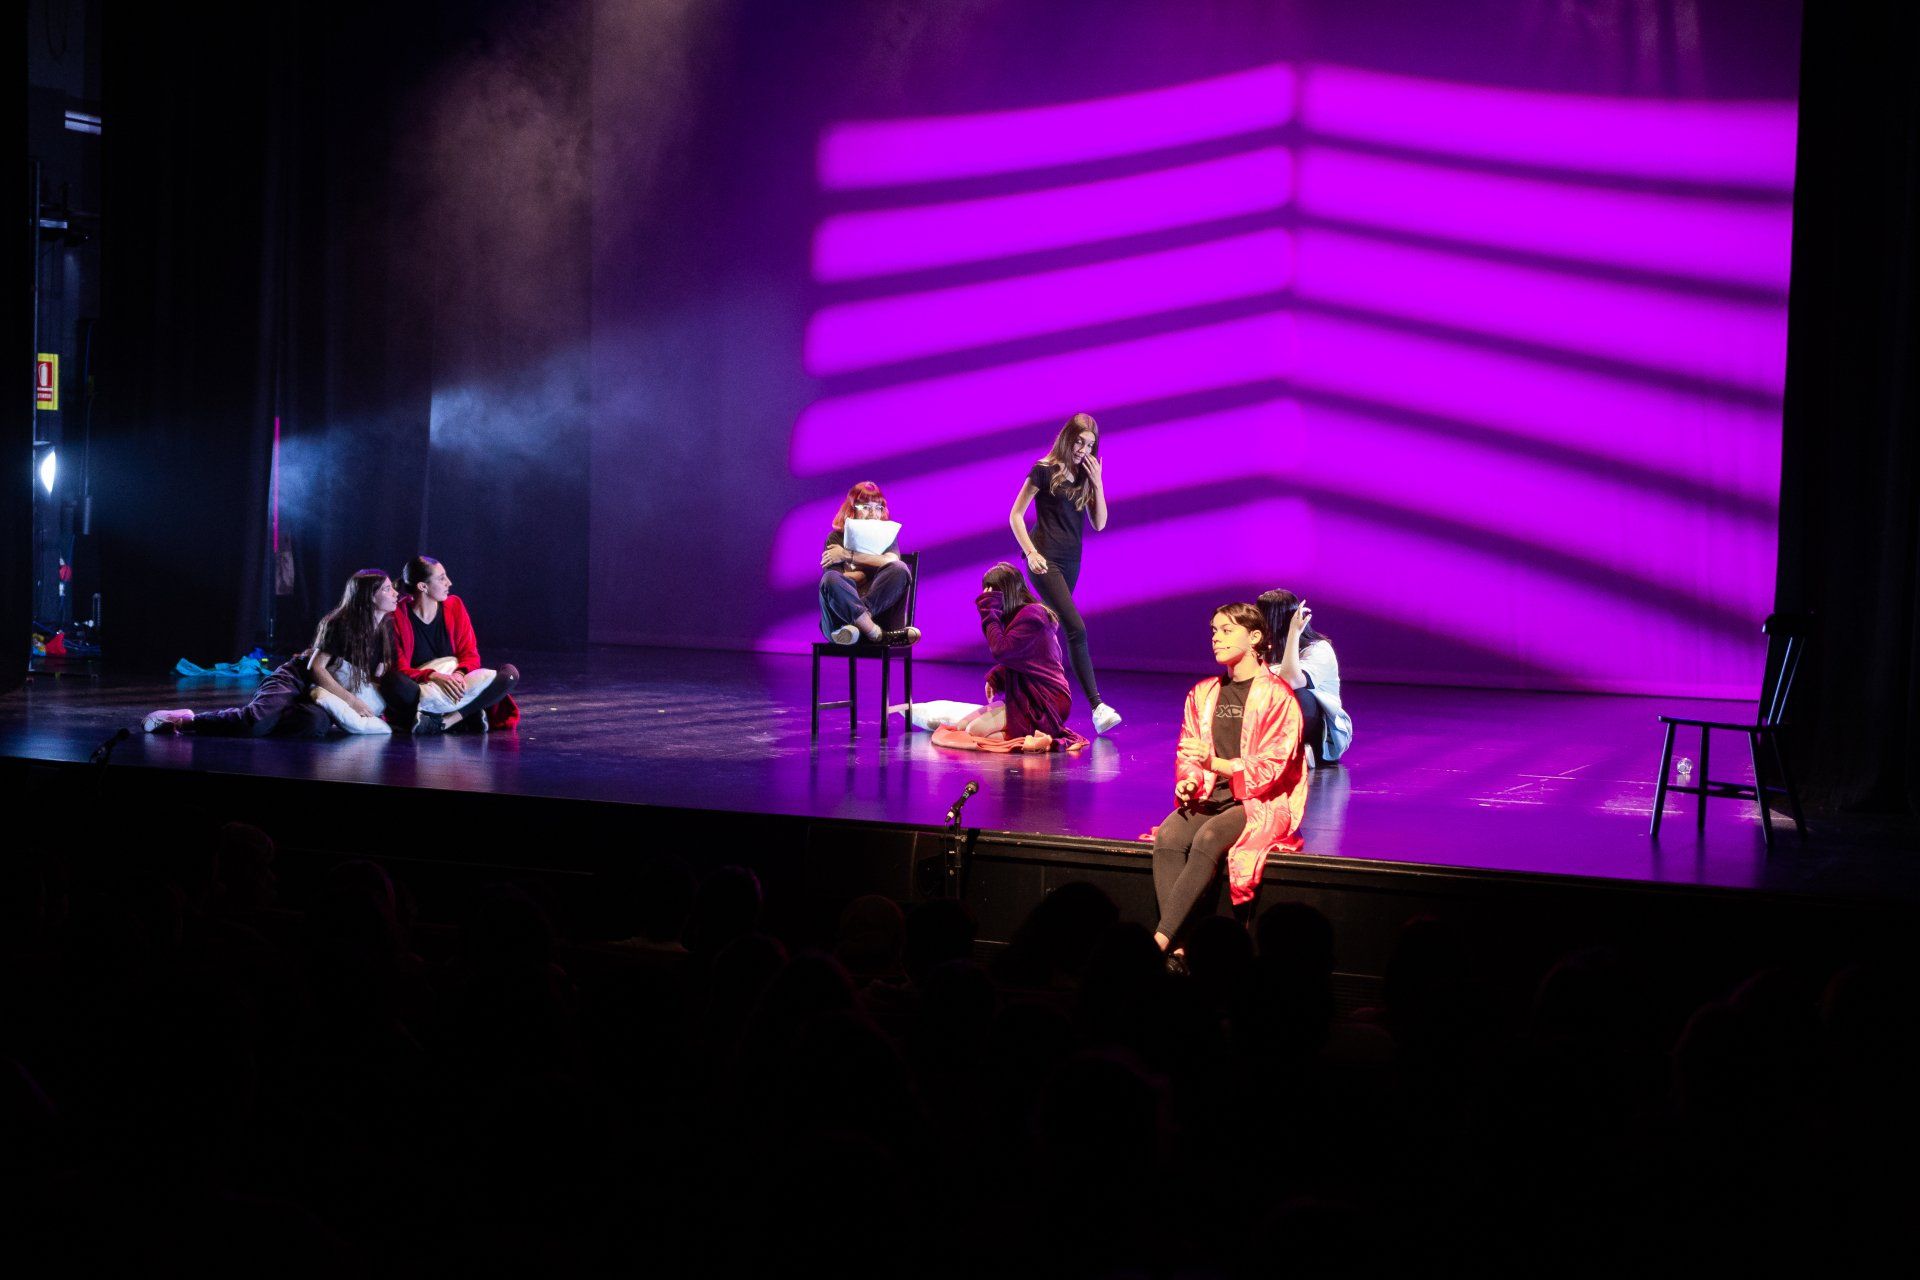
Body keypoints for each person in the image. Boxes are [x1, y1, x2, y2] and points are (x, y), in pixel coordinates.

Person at [1150, 602, 1310, 952]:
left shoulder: (1278, 696)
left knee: (1208, 837)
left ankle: (1160, 942)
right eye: (1213, 631)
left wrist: (1214, 763)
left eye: (1226, 630)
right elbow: (1189, 752)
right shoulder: (1203, 693)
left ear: (1254, 637)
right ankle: (1182, 945)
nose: (1216, 638)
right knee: (1169, 835)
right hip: (1212, 795)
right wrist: (1190, 780)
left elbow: (1271, 768)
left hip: (1258, 801)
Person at [141, 569, 396, 737]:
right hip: (297, 679)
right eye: (386, 589)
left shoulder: (383, 631)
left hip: (320, 694)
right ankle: (186, 720)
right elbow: (315, 668)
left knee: (313, 724)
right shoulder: (341, 623)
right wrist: (351, 701)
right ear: (368, 597)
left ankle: (271, 719)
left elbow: (374, 677)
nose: (395, 593)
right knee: (255, 722)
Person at [1009, 412, 1120, 733]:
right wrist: (1031, 553)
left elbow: (1099, 523)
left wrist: (1098, 483)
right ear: (1067, 438)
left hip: (1072, 562)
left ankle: (1022, 695)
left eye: (1090, 445)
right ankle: (1098, 707)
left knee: (1046, 630)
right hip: (1045, 561)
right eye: (1079, 442)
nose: (1083, 449)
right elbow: (1015, 515)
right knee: (1076, 628)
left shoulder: (1086, 475)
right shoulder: (1044, 470)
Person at [930, 563, 1088, 752]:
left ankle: (1034, 733)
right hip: (1027, 694)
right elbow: (1024, 659)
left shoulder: (1032, 615)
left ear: (1007, 592)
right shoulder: (1020, 615)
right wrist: (997, 678)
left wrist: (989, 611)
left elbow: (1001, 650)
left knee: (974, 731)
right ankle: (1020, 729)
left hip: (1046, 700)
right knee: (963, 726)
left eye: (992, 593)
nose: (988, 597)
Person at [384, 555, 522, 734]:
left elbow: (470, 654)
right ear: (422, 586)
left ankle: (450, 720)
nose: (449, 582)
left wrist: (458, 674)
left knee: (509, 674)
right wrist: (435, 676)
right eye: (441, 578)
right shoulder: (397, 616)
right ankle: (462, 716)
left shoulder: (455, 605)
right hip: (427, 688)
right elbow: (401, 667)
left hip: (458, 685)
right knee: (392, 681)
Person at [1258, 588, 1352, 765]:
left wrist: (1294, 633)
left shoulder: (1318, 649)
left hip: (1319, 732)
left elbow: (1290, 681)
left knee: (1297, 694)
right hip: (1271, 726)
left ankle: (1300, 749)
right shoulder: (1264, 650)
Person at [819, 481, 919, 645]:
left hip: (874, 621)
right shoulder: (835, 538)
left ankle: (861, 625)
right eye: (866, 507)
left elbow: (892, 561)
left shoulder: (887, 537)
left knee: (899, 569)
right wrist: (874, 571)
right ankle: (876, 633)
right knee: (830, 579)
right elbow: (836, 582)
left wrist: (847, 556)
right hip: (840, 626)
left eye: (878, 507)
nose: (873, 513)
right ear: (852, 509)